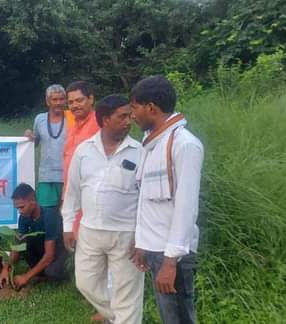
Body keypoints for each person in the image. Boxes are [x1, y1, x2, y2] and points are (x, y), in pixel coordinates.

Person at [62, 95, 144, 323]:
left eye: (130, 115)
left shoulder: (139, 151)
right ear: (105, 119)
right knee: (85, 283)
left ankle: (126, 317)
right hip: (90, 231)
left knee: (127, 292)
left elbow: (146, 199)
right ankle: (121, 317)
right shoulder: (84, 151)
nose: (129, 121)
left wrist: (142, 235)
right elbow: (73, 192)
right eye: (123, 116)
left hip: (126, 235)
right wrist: (68, 225)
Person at [130, 75, 204, 324]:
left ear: (151, 108)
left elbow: (186, 208)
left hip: (173, 255)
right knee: (168, 316)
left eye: (135, 108)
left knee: (180, 318)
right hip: (153, 249)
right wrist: (141, 242)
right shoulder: (149, 144)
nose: (133, 115)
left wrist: (171, 262)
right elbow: (145, 200)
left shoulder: (185, 145)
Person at [1, 183, 68, 290]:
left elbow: (50, 255)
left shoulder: (49, 216)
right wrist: (6, 268)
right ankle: (40, 274)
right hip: (43, 248)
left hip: (58, 251)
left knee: (52, 272)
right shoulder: (24, 218)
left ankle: (65, 272)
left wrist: (26, 277)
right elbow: (18, 245)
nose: (19, 211)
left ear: (32, 201)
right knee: (24, 241)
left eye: (22, 207)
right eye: (17, 208)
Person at [62, 81, 100, 239]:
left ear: (91, 99)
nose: (75, 105)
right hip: (74, 198)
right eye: (71, 102)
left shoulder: (100, 124)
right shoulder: (72, 127)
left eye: (79, 100)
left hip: (93, 201)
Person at [24, 84, 68, 209]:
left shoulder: (72, 118)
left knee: (67, 214)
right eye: (55, 99)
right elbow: (35, 143)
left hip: (68, 175)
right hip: (46, 175)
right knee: (48, 213)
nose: (58, 103)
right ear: (48, 101)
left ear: (65, 100)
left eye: (61, 99)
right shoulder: (40, 119)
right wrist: (29, 137)